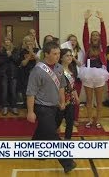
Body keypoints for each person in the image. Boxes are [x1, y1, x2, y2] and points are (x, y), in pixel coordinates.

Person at [26, 41, 76, 173]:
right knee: (52, 134)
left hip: (54, 106)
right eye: (54, 54)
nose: (58, 56)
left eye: (59, 53)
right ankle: (67, 162)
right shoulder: (37, 70)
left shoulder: (59, 68)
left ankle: (33, 150)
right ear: (46, 54)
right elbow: (30, 93)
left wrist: (62, 102)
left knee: (44, 130)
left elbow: (61, 86)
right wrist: (30, 112)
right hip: (41, 107)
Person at [78, 10, 109, 129]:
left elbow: (104, 35)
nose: (95, 36)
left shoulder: (102, 47)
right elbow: (84, 36)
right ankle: (90, 120)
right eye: (93, 35)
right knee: (89, 100)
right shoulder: (87, 47)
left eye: (97, 35)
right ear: (91, 38)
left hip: (100, 75)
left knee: (99, 100)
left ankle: (98, 120)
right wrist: (86, 22)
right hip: (88, 74)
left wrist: (101, 21)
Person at [56, 48, 80, 139]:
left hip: (70, 100)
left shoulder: (72, 69)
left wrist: (76, 97)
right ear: (61, 58)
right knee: (57, 121)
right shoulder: (58, 70)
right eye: (67, 55)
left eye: (71, 55)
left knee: (70, 122)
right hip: (60, 100)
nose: (70, 57)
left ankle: (67, 140)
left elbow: (72, 86)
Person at [0, 37, 19, 115]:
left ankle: (14, 107)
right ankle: (5, 107)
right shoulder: (1, 51)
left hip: (13, 73)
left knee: (13, 91)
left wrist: (11, 55)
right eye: (5, 41)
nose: (7, 42)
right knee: (4, 91)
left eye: (8, 41)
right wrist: (7, 56)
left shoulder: (15, 50)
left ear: (11, 42)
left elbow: (17, 60)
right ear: (3, 42)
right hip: (4, 74)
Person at [66, 34, 84, 126]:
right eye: (71, 40)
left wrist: (73, 58)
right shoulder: (65, 52)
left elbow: (81, 64)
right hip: (67, 77)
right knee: (68, 99)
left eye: (74, 40)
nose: (73, 42)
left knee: (76, 99)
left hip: (77, 77)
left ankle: (75, 118)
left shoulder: (80, 52)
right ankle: (67, 119)